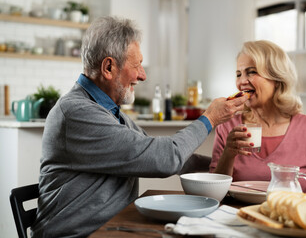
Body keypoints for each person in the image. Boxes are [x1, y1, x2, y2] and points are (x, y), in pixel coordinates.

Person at [30, 16, 248, 238]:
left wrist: (226, 163)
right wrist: (209, 119)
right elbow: (165, 158)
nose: (143, 75)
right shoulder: (77, 113)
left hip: (113, 227)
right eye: (137, 65)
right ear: (108, 67)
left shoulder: (110, 112)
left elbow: (167, 155)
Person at [210, 40, 306, 199]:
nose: (241, 81)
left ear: (276, 79)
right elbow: (213, 194)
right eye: (238, 74)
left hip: (291, 218)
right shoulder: (227, 127)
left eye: (251, 72)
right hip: (236, 215)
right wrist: (228, 154)